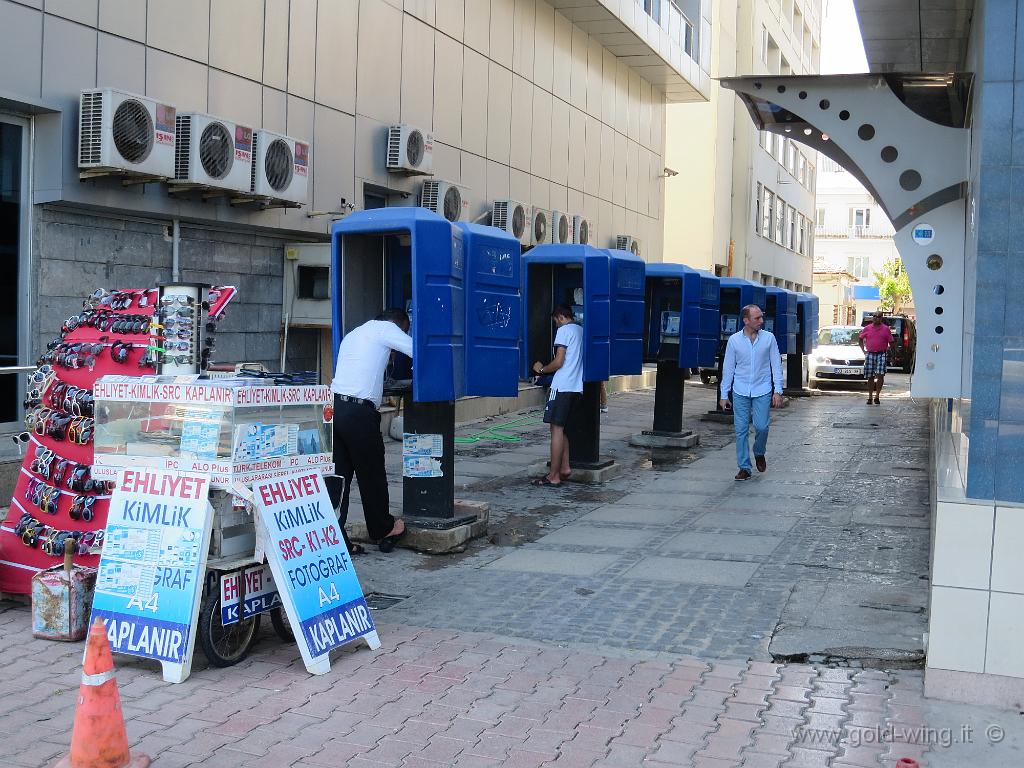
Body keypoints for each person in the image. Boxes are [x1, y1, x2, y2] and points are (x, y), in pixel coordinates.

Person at [326, 309, 412, 553]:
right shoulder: (387, 329)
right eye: (403, 330)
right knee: (371, 472)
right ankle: (383, 528)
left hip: (335, 408)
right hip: (359, 413)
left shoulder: (355, 332)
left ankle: (335, 538)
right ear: (398, 325)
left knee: (339, 477)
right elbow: (420, 351)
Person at [719, 304, 784, 481]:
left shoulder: (769, 338)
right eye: (757, 318)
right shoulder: (734, 340)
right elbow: (728, 368)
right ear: (746, 320)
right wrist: (724, 395)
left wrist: (778, 390)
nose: (761, 321)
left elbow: (776, 366)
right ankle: (744, 467)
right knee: (740, 430)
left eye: (762, 317)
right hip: (740, 390)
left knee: (762, 426)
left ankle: (759, 452)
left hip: (762, 389)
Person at [531, 304, 583, 487]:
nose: (556, 325)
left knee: (555, 430)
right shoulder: (581, 330)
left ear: (560, 317)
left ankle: (553, 475)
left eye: (556, 321)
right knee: (561, 429)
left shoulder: (564, 331)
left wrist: (542, 370)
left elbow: (559, 361)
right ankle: (565, 467)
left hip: (561, 386)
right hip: (576, 387)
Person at [859, 311, 895, 405]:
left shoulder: (886, 329)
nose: (876, 318)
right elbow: (860, 339)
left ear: (881, 318)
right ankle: (870, 397)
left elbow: (891, 342)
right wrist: (864, 351)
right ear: (872, 317)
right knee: (870, 376)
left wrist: (892, 355)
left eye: (879, 316)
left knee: (880, 375)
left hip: (881, 354)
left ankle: (877, 396)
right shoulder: (867, 328)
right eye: (874, 316)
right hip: (870, 353)